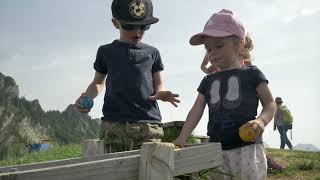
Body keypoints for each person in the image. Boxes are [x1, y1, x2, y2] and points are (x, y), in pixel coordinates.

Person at [173, 9, 276, 180]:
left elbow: (270, 104)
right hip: (216, 150)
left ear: (239, 45)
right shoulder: (208, 80)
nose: (212, 52)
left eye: (219, 46)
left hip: (246, 150)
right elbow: (196, 110)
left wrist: (261, 121)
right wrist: (182, 136)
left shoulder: (252, 74)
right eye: (208, 49)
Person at [75, 0, 180, 153]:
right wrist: (86, 96)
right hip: (114, 125)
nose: (137, 33)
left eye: (143, 26)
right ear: (115, 23)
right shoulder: (105, 52)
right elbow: (98, 83)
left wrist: (161, 92)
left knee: (151, 169)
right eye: (129, 26)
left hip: (148, 126)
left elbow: (159, 84)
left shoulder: (153, 53)